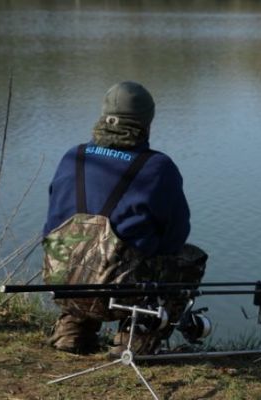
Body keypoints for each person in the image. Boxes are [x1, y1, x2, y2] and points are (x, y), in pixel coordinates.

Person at [42, 81, 206, 355]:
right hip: (120, 294)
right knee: (189, 259)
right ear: (147, 122)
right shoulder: (158, 167)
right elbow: (176, 236)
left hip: (62, 281)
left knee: (80, 252)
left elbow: (51, 224)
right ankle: (137, 337)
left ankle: (72, 330)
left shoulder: (74, 156)